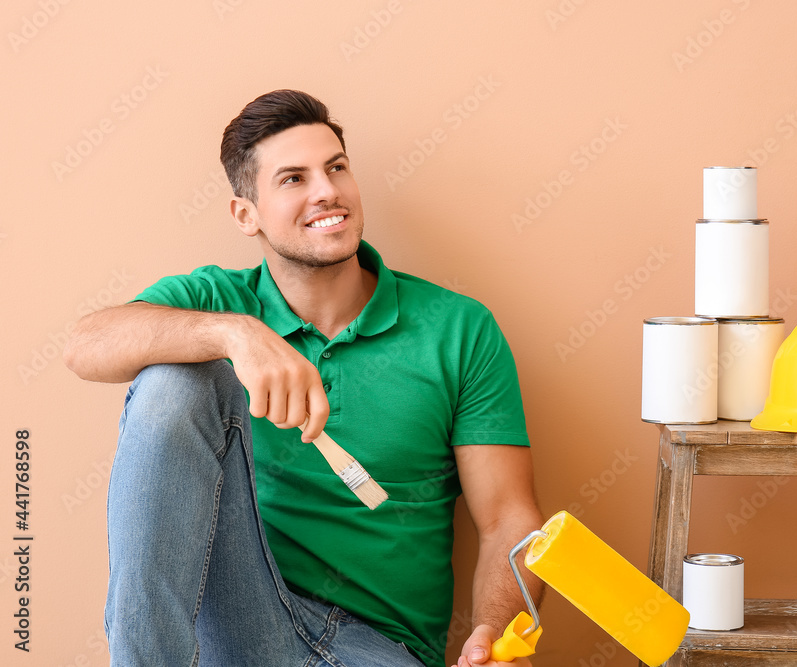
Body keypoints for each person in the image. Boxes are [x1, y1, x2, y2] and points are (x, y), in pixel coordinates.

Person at [64, 89, 544, 667]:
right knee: (178, 379)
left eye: (336, 167)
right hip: (241, 625)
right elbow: (84, 346)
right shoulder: (215, 300)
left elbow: (507, 519)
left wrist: (493, 631)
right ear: (247, 214)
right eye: (293, 178)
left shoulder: (458, 329)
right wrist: (234, 336)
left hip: (376, 650)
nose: (327, 191)